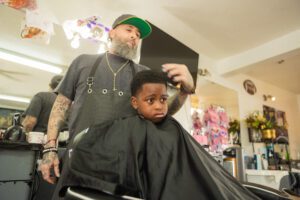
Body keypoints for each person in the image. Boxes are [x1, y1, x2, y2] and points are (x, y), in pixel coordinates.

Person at [40, 13, 195, 188]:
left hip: (123, 165)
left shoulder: (143, 73)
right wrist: (50, 149)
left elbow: (160, 110)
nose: (134, 36)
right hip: (79, 158)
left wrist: (185, 92)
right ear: (111, 33)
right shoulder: (83, 62)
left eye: (138, 35)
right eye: (129, 30)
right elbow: (61, 105)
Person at [63, 70, 259, 200]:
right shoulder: (126, 129)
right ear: (134, 102)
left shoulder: (172, 127)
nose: (159, 106)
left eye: (163, 99)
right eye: (150, 100)